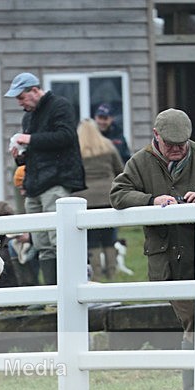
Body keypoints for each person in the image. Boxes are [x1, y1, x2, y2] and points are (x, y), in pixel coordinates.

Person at [110, 108, 195, 390]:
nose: (178, 149)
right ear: (156, 136)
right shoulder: (140, 162)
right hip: (167, 260)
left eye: (182, 144)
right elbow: (118, 193)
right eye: (171, 144)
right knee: (194, 318)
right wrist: (150, 200)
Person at [5, 72, 85, 285]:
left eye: (21, 97)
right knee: (42, 244)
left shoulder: (60, 106)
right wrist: (20, 156)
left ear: (34, 90)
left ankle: (68, 288)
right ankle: (53, 292)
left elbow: (66, 136)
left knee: (59, 240)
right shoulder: (28, 116)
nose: (20, 103)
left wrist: (29, 139)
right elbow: (36, 150)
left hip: (57, 181)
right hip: (34, 185)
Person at [74, 118, 124, 281]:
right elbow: (120, 170)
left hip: (85, 199)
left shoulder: (76, 149)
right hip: (108, 197)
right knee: (109, 238)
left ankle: (96, 277)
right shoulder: (108, 146)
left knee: (92, 240)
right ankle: (112, 274)